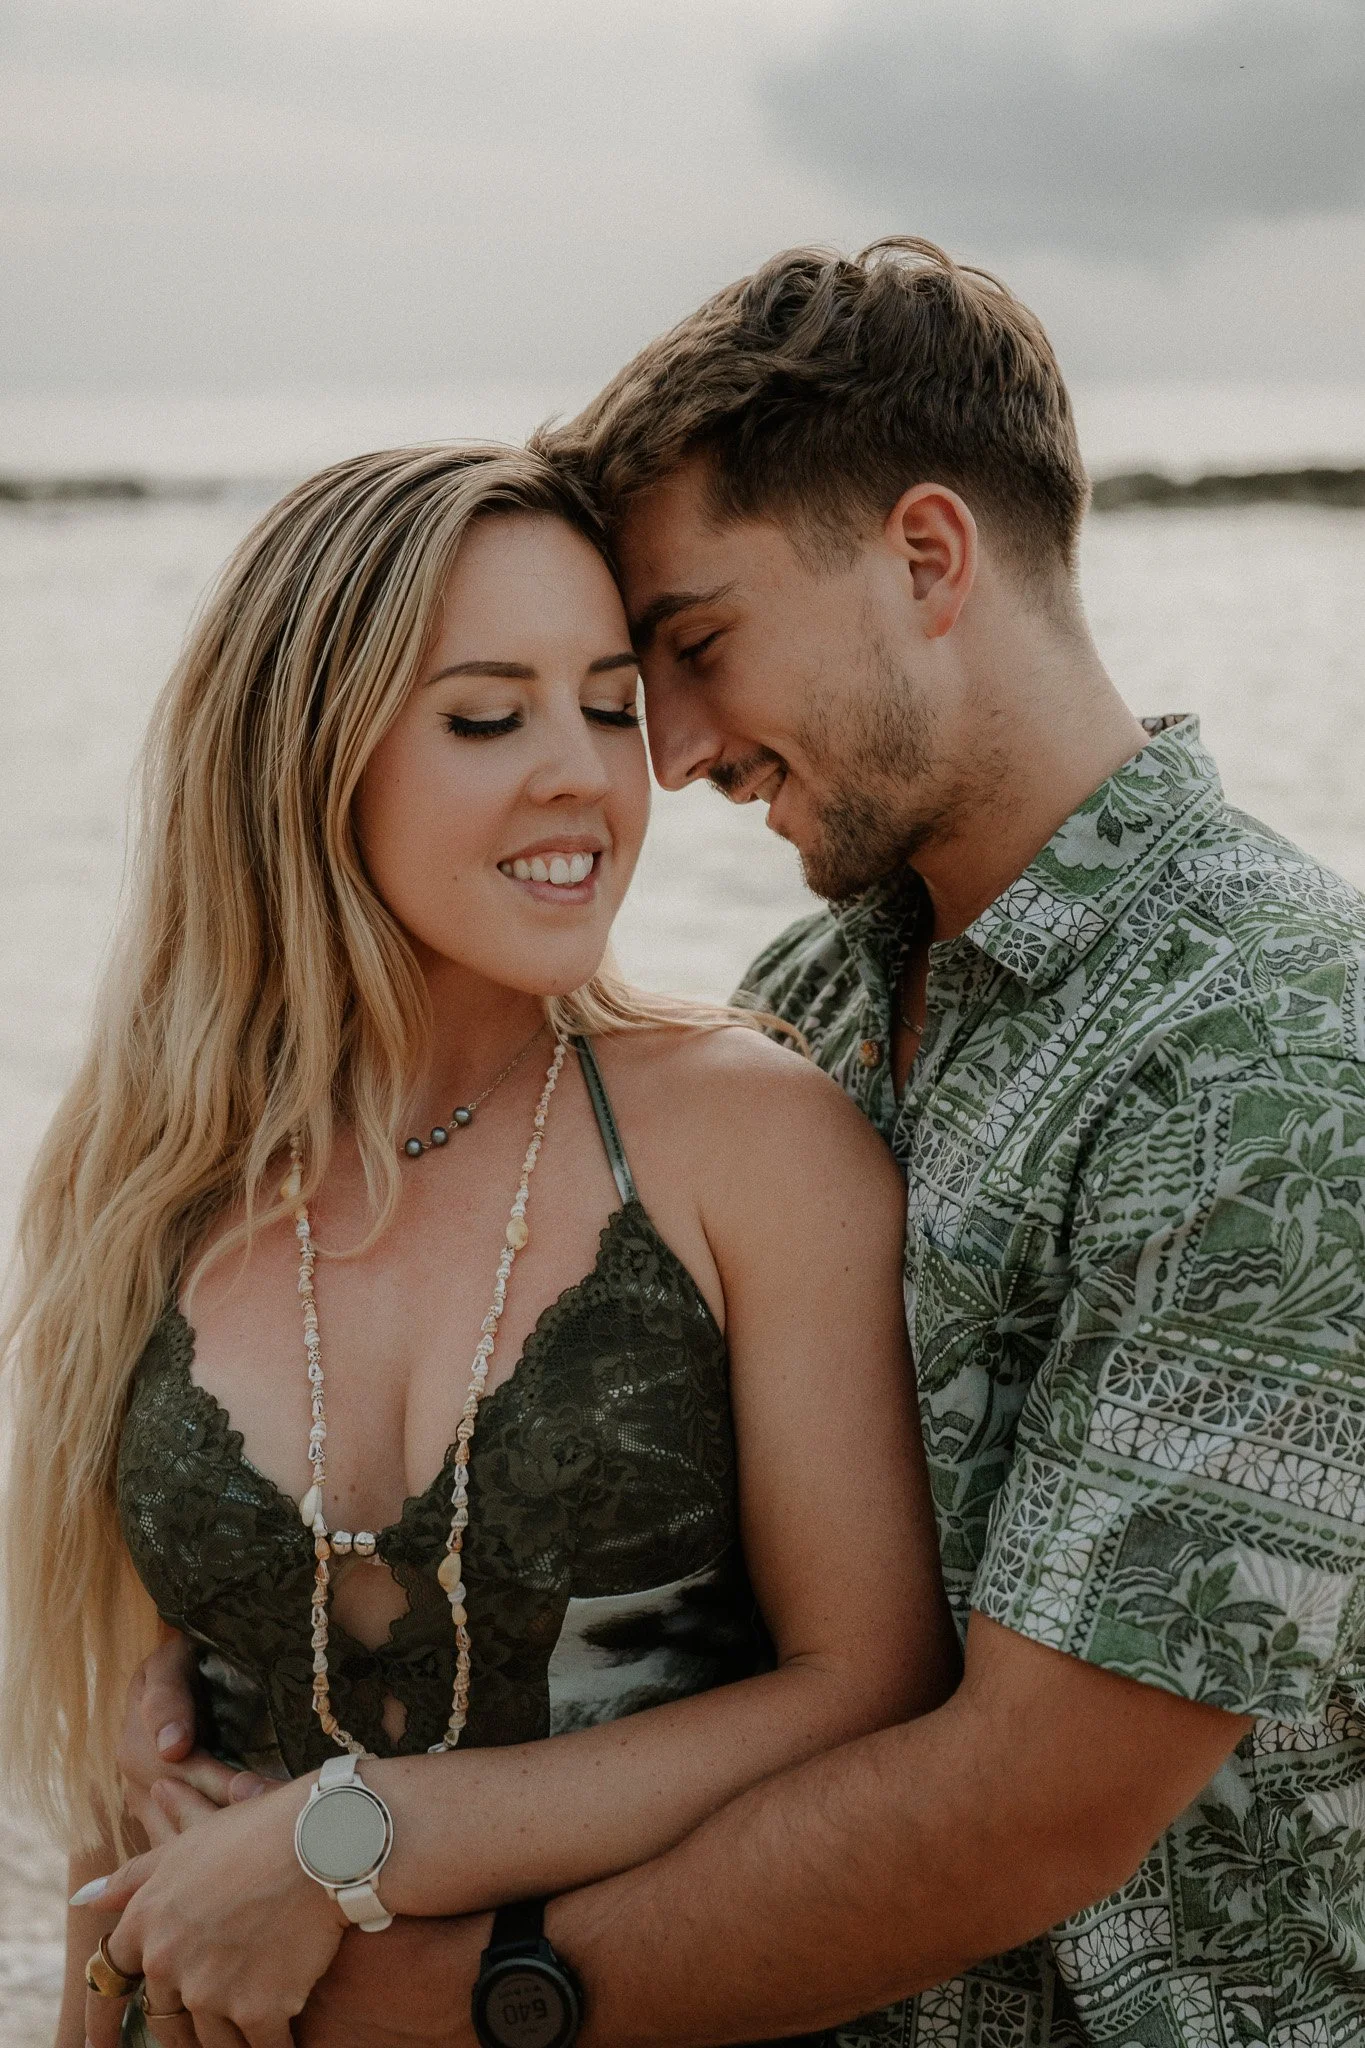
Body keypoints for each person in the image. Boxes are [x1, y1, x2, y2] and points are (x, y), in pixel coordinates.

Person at [119, 238, 1365, 2044]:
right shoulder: (818, 993)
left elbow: (1040, 1805)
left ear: (928, 559)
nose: (672, 753)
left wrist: (431, 1998)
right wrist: (229, 1626)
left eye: (686, 652)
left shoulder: (1281, 1052)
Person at [0, 442, 960, 2047]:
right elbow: (135, 1826)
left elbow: (871, 1686)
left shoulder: (746, 1139)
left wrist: (339, 1845)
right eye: (484, 715)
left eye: (607, 703)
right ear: (308, 757)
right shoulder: (147, 1184)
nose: (585, 775)